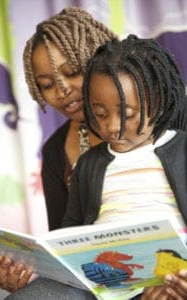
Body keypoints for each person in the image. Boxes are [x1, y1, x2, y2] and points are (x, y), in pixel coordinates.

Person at [0, 6, 187, 298]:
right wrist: (25, 270)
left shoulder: (173, 128)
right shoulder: (64, 155)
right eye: (46, 85)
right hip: (101, 280)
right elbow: (65, 239)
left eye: (73, 72)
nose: (62, 90)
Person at [61, 35, 187, 299]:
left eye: (127, 114)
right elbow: (70, 232)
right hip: (101, 283)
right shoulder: (88, 164)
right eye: (100, 114)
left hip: (174, 275)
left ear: (159, 102)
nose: (111, 128)